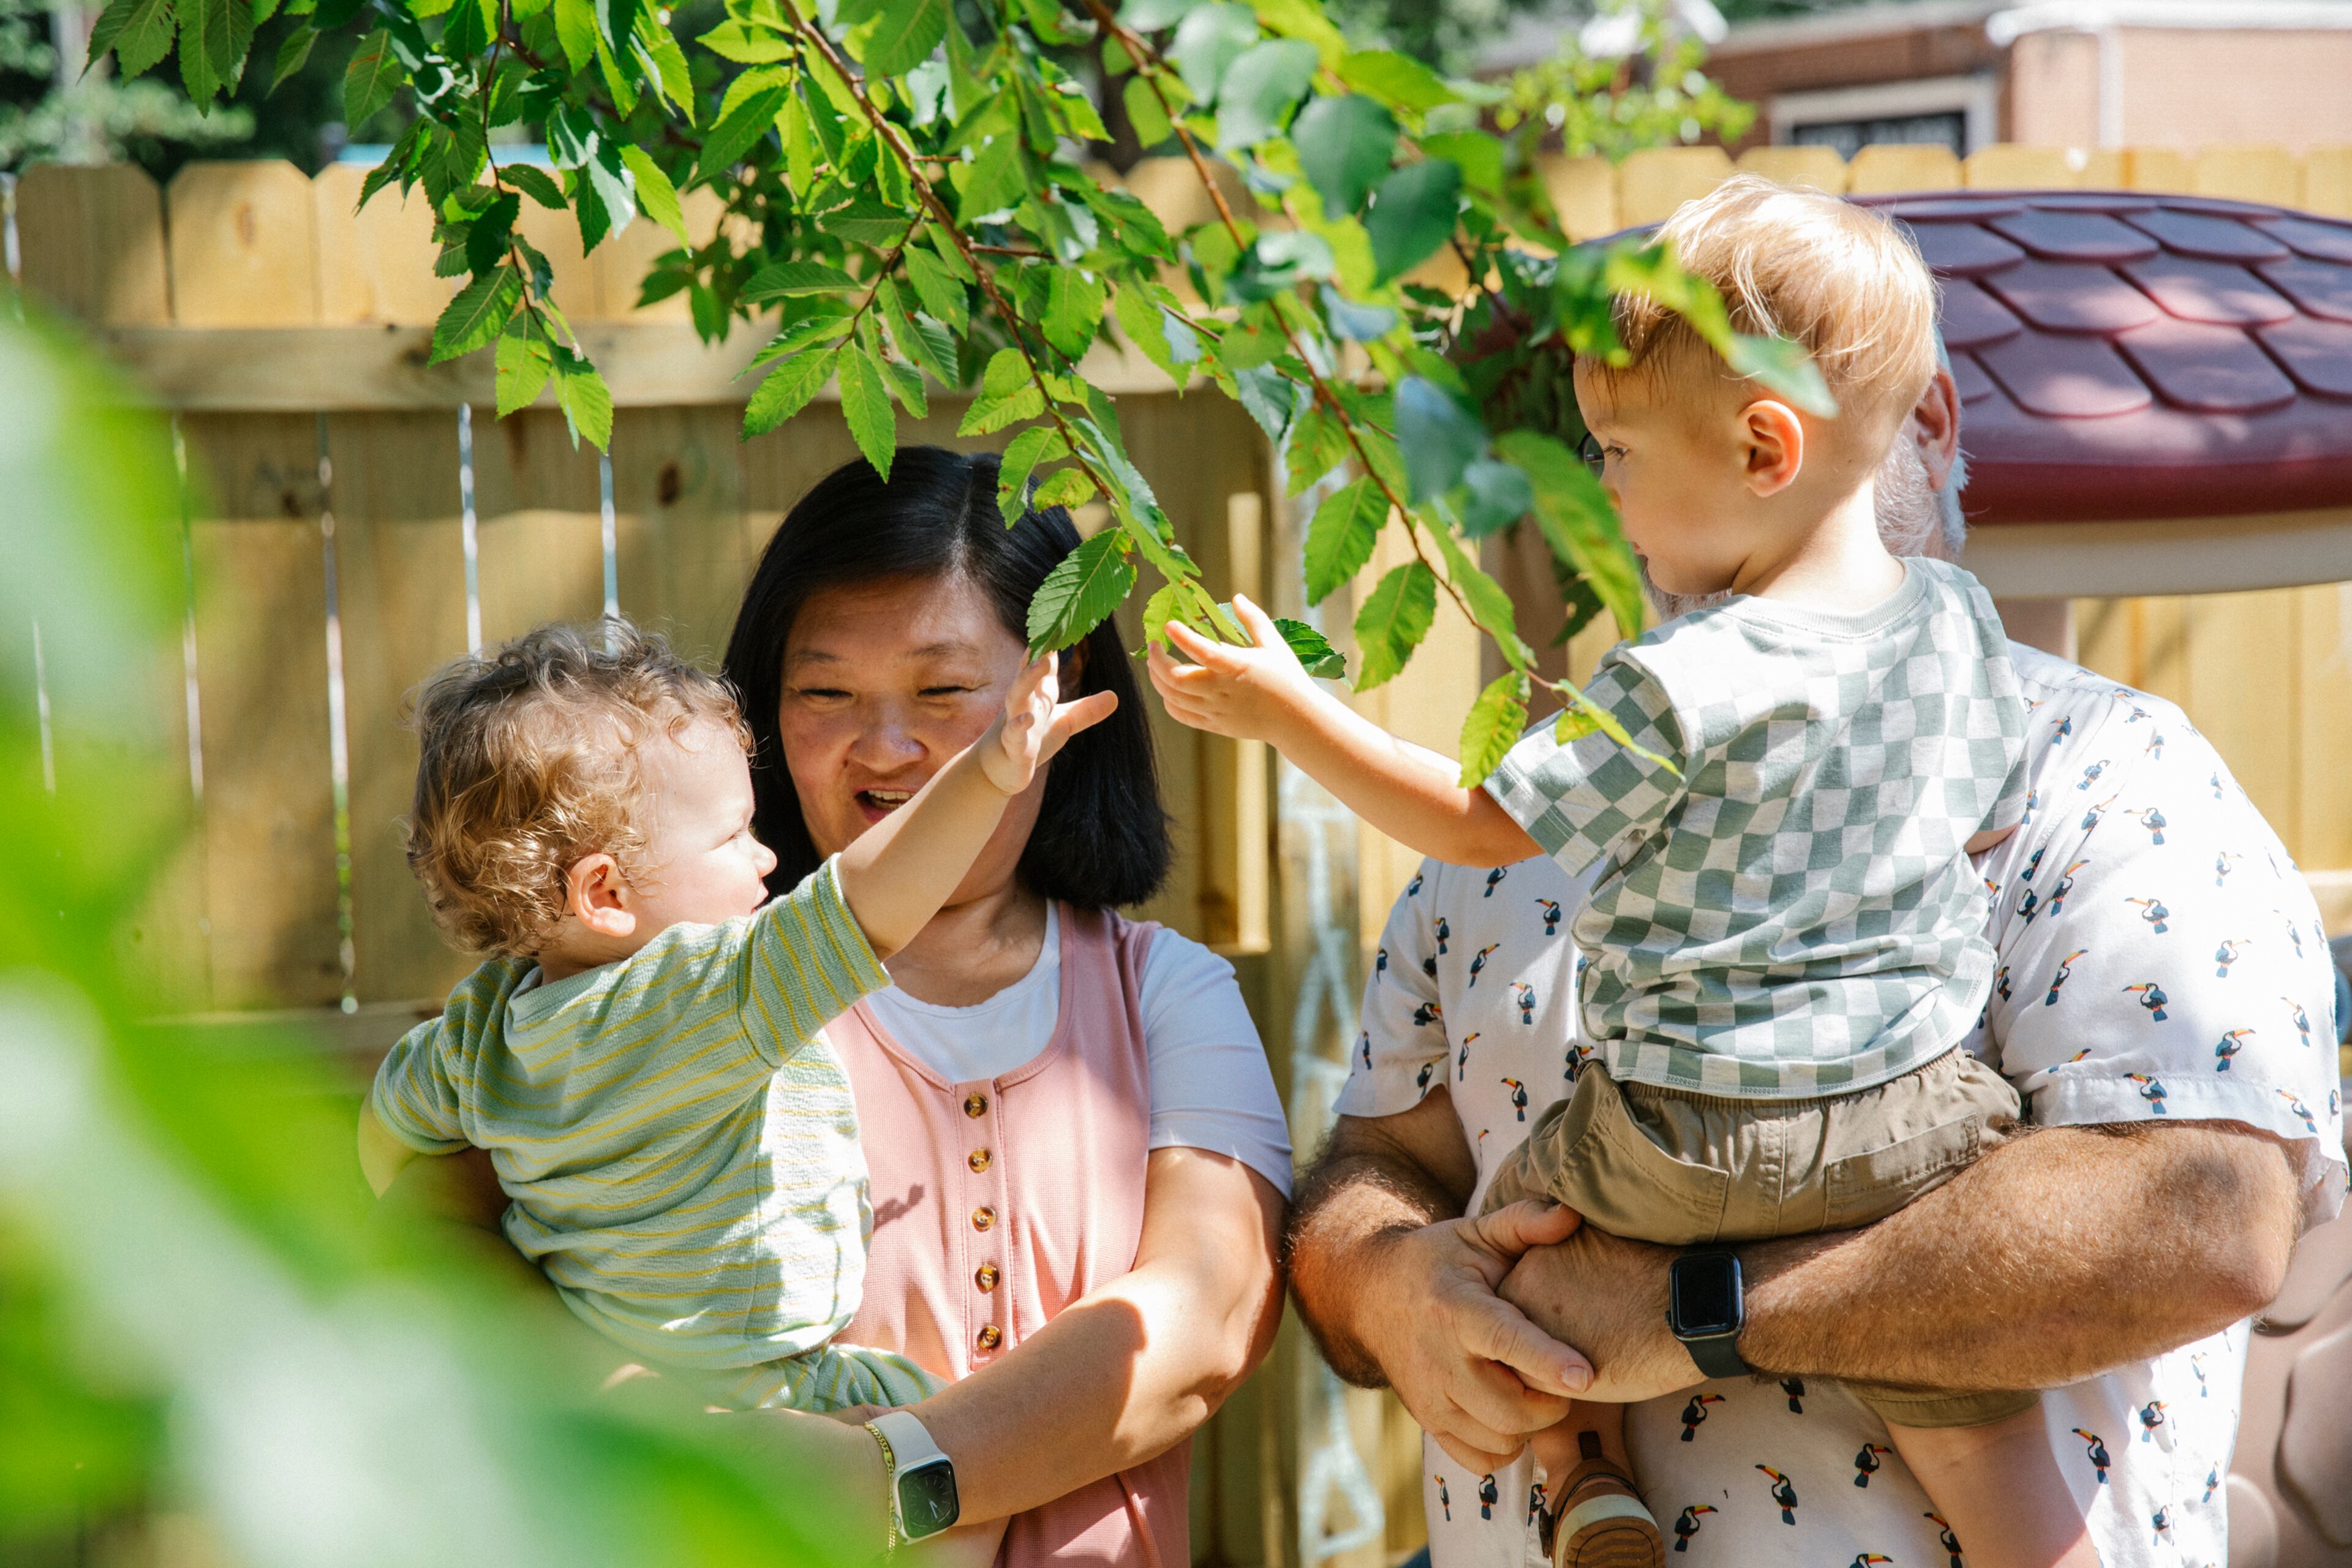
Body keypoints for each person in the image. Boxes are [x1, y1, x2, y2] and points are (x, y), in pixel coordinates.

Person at [1280, 345, 2346, 1565]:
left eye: (1766, 431)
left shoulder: (2105, 774)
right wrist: (1386, 1283)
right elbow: (1375, 1159)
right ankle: (1584, 1472)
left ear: (1927, 423)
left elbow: (2205, 1218)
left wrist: (1691, 1313)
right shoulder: (1540, 813)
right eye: (1635, 445)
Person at [1152, 178, 2076, 1567]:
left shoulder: (1683, 673)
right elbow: (1985, 814)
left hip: (1684, 1129)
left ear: (1764, 449)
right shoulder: (1958, 622)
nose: (1608, 491)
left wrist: (1291, 710)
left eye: (1621, 451)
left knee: (1501, 1261)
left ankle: (1587, 1477)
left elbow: (1475, 820)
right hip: (1914, 1120)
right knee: (1991, 1434)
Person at [388, 448, 1291, 1566]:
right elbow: (434, 1234)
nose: (886, 746)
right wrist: (652, 1423)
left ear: (1057, 701)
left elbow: (1207, 1316)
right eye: (825, 692)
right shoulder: (685, 991)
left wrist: (892, 1477)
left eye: (946, 691)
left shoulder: (1166, 992)